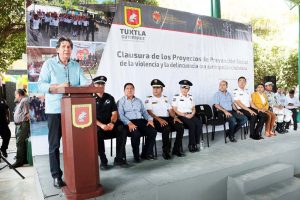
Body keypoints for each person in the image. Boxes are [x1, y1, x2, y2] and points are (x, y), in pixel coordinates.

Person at [38, 37, 87, 189]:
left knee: (74, 143)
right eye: (63, 46)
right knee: (54, 145)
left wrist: (90, 84)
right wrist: (58, 86)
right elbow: (40, 85)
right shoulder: (49, 64)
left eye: (69, 47)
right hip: (55, 111)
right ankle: (56, 176)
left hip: (74, 110)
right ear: (58, 49)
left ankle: (76, 173)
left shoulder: (75, 65)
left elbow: (83, 82)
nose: (66, 49)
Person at [93, 75, 127, 170]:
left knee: (122, 128)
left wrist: (112, 123)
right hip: (99, 126)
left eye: (102, 84)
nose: (100, 86)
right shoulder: (89, 98)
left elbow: (114, 113)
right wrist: (101, 125)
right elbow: (90, 116)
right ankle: (103, 161)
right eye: (98, 84)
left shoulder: (110, 97)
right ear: (94, 85)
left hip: (110, 125)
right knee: (96, 131)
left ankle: (119, 158)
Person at [145, 79, 185, 159]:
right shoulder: (148, 99)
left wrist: (175, 117)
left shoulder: (165, 98)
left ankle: (176, 149)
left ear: (162, 89)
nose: (155, 90)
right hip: (156, 120)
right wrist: (159, 119)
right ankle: (166, 152)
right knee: (166, 128)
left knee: (180, 126)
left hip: (167, 118)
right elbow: (149, 112)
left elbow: (170, 110)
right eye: (154, 88)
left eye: (157, 88)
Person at [117, 83, 157, 163]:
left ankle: (146, 153)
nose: (129, 90)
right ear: (124, 91)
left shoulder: (138, 101)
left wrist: (150, 119)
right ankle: (136, 155)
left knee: (153, 131)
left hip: (140, 121)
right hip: (128, 122)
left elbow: (144, 112)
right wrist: (129, 123)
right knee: (136, 134)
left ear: (134, 90)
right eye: (127, 88)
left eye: (131, 88)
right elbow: (120, 115)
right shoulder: (120, 101)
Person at [172, 80, 203, 152]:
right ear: (180, 88)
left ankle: (196, 143)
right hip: (181, 115)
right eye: (183, 87)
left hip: (190, 114)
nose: (184, 89)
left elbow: (193, 108)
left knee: (199, 123)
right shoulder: (176, 97)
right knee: (192, 125)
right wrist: (184, 115)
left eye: (186, 88)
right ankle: (191, 145)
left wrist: (192, 114)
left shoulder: (191, 96)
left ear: (189, 89)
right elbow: (174, 109)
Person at [12, 89, 30, 168]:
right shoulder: (22, 101)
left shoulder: (24, 101)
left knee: (20, 142)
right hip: (20, 124)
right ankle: (22, 159)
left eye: (15, 95)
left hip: (22, 124)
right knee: (21, 143)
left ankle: (19, 161)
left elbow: (28, 114)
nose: (15, 96)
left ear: (18, 94)